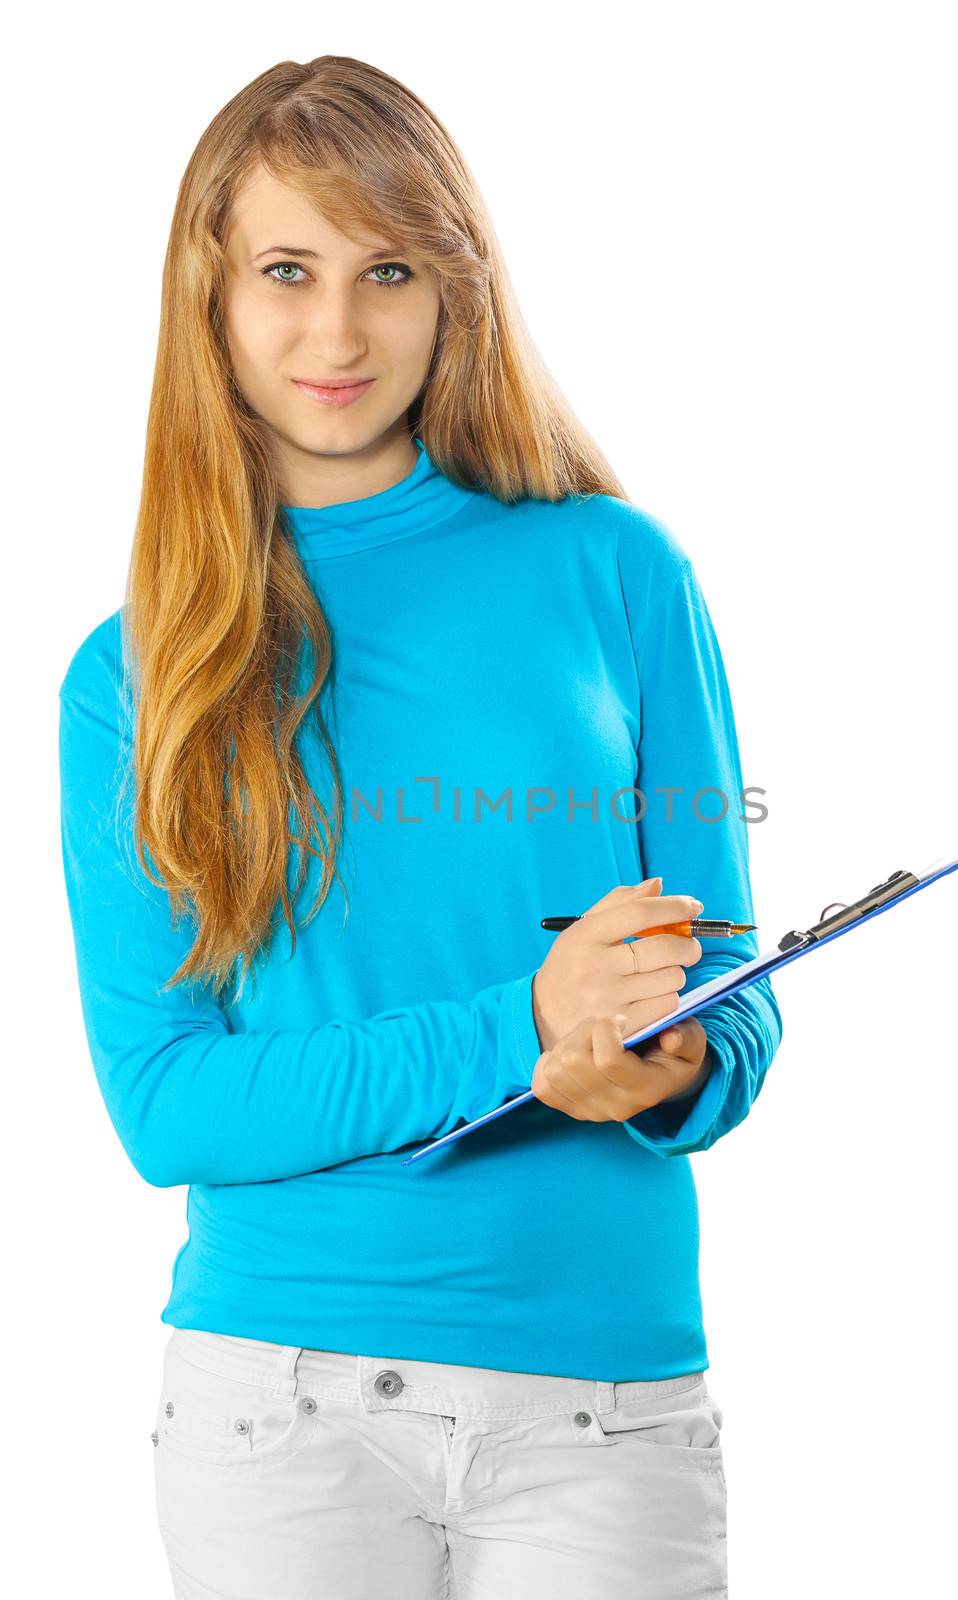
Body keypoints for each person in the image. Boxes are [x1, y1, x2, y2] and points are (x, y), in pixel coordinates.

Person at [57, 53, 782, 1600]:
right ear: (214, 303)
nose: (338, 329)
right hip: (285, 1410)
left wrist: (669, 1066)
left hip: (606, 1404)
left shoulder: (617, 571)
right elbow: (169, 1107)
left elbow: (734, 990)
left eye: (388, 268)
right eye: (287, 270)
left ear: (455, 288)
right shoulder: (134, 678)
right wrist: (523, 1028)